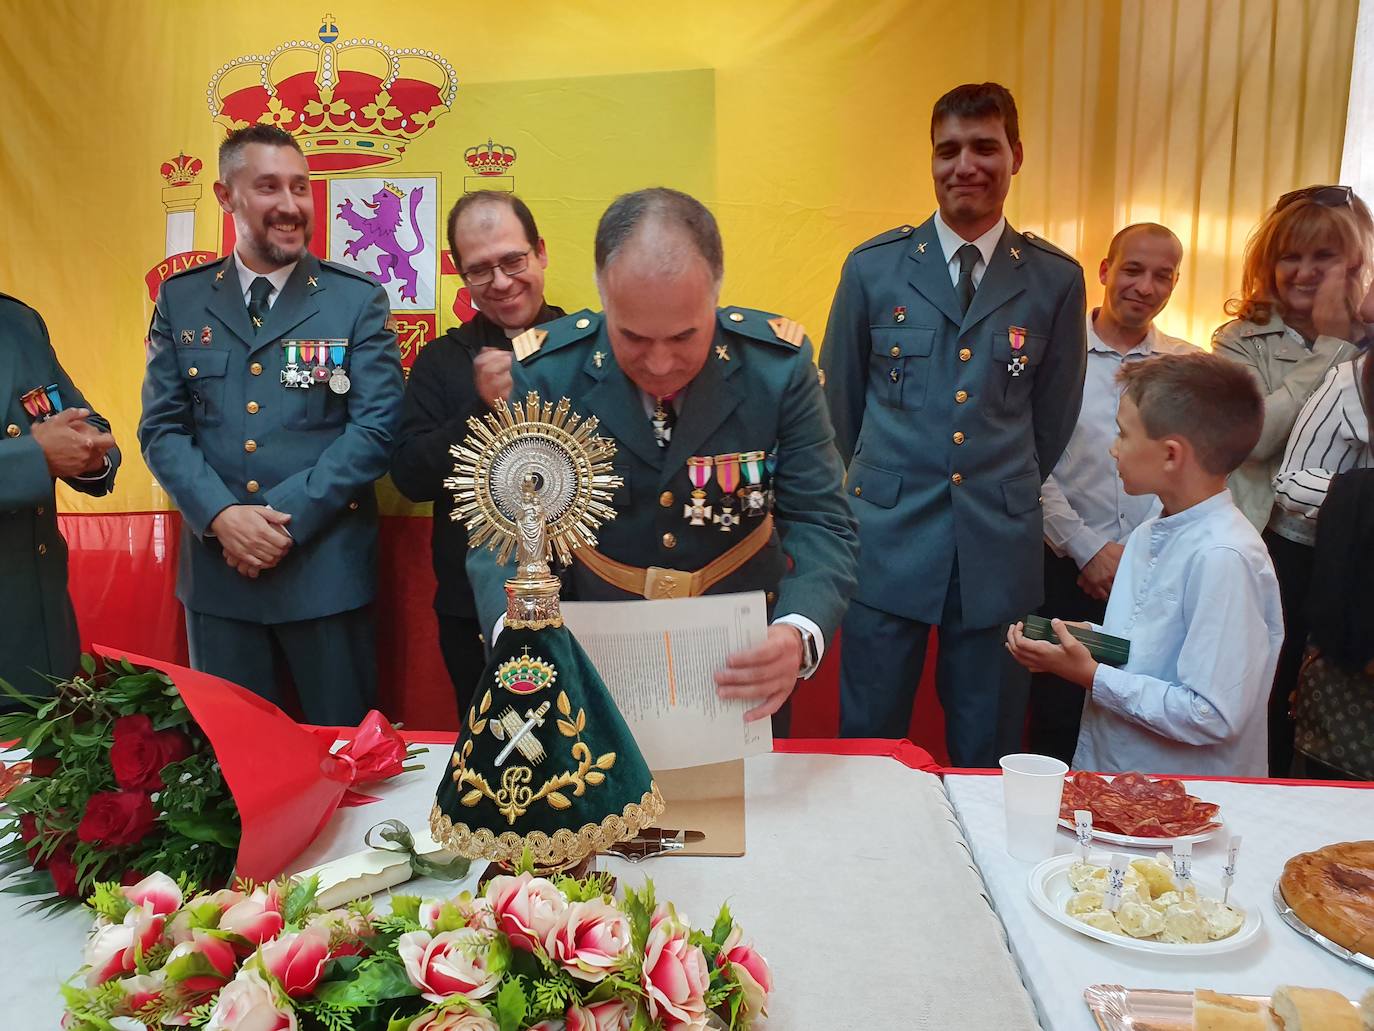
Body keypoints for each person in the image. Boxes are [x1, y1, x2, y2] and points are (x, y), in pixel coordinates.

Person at [467, 187, 859, 731]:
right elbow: (507, 536)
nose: (659, 362)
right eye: (631, 336)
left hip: (743, 664)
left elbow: (822, 520)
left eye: (683, 337)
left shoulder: (777, 369)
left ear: (714, 296)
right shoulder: (548, 372)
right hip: (593, 661)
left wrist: (796, 630)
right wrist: (518, 641)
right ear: (603, 295)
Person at [819, 81, 1087, 767]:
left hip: (997, 547)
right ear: (932, 161)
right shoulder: (874, 268)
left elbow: (1052, 417)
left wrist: (998, 484)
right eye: (948, 150)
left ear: (1015, 155)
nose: (964, 164)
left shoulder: (1055, 279)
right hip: (887, 538)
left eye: (983, 147)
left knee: (988, 747)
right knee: (869, 742)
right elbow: (839, 408)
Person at [139, 124, 403, 725]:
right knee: (232, 771)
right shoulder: (182, 300)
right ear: (226, 195)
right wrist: (224, 517)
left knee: (346, 763)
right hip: (219, 583)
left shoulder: (353, 299)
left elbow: (377, 429)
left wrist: (282, 523)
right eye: (268, 187)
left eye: (300, 187)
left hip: (324, 580)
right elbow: (162, 429)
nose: (290, 205)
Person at [1006, 352, 1282, 778]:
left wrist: (1092, 676)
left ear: (1171, 454)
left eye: (1123, 434)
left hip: (1186, 796)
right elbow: (1147, 650)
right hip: (1120, 775)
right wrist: (1085, 641)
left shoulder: (1225, 557)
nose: (1113, 450)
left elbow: (1212, 713)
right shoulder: (1151, 528)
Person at [1213, 184, 1374, 774]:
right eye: (1291, 257)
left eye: (1323, 258)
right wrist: (1331, 348)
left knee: (1336, 701)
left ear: (1354, 262)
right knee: (1259, 692)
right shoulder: (1238, 339)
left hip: (1352, 553)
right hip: (1268, 545)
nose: (1304, 273)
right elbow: (1249, 441)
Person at [391, 192, 566, 715]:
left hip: (588, 597)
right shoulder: (442, 361)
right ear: (460, 275)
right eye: (480, 270)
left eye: (513, 260)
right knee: (493, 765)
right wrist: (477, 408)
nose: (502, 282)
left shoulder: (594, 348)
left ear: (540, 251)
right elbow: (409, 475)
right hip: (472, 609)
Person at [1029, 224, 1195, 762]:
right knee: (1054, 721)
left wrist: (1138, 558)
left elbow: (1189, 468)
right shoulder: (1055, 354)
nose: (1145, 287)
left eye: (1162, 276)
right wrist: (1087, 549)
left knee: (1137, 717)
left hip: (1151, 575)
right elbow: (1031, 460)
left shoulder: (1186, 366)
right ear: (1104, 271)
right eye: (1132, 270)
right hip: (1061, 565)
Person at [1, 293, 119, 699]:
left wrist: (87, 452)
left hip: (37, 636)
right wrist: (33, 459)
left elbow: (87, 420)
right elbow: (37, 452)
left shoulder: (17, 320)